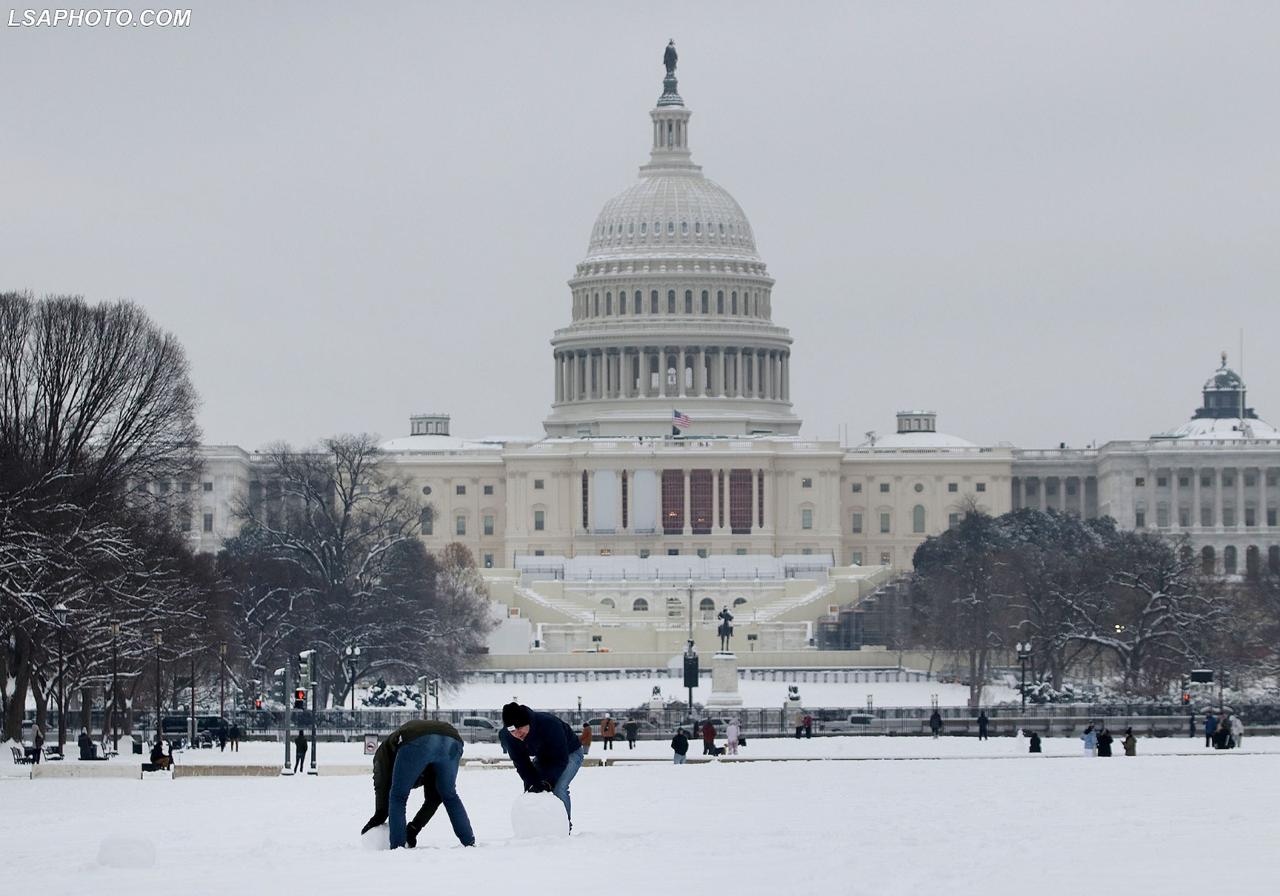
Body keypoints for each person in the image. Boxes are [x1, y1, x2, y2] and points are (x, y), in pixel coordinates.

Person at [359, 719, 474, 849]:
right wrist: (414, 828)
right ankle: (469, 842)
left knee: (398, 796)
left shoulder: (382, 756)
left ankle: (398, 847)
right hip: (452, 740)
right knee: (449, 795)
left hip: (417, 739)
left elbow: (382, 784)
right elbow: (434, 798)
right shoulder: (422, 764)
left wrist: (380, 814)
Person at [499, 702, 584, 827]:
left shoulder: (549, 725)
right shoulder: (509, 737)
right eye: (512, 730)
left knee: (558, 787)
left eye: (520, 727)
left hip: (570, 753)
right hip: (543, 756)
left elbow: (560, 759)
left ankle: (564, 826)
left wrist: (547, 782)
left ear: (528, 722)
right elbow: (522, 764)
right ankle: (536, 825)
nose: (517, 733)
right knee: (532, 789)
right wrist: (533, 783)